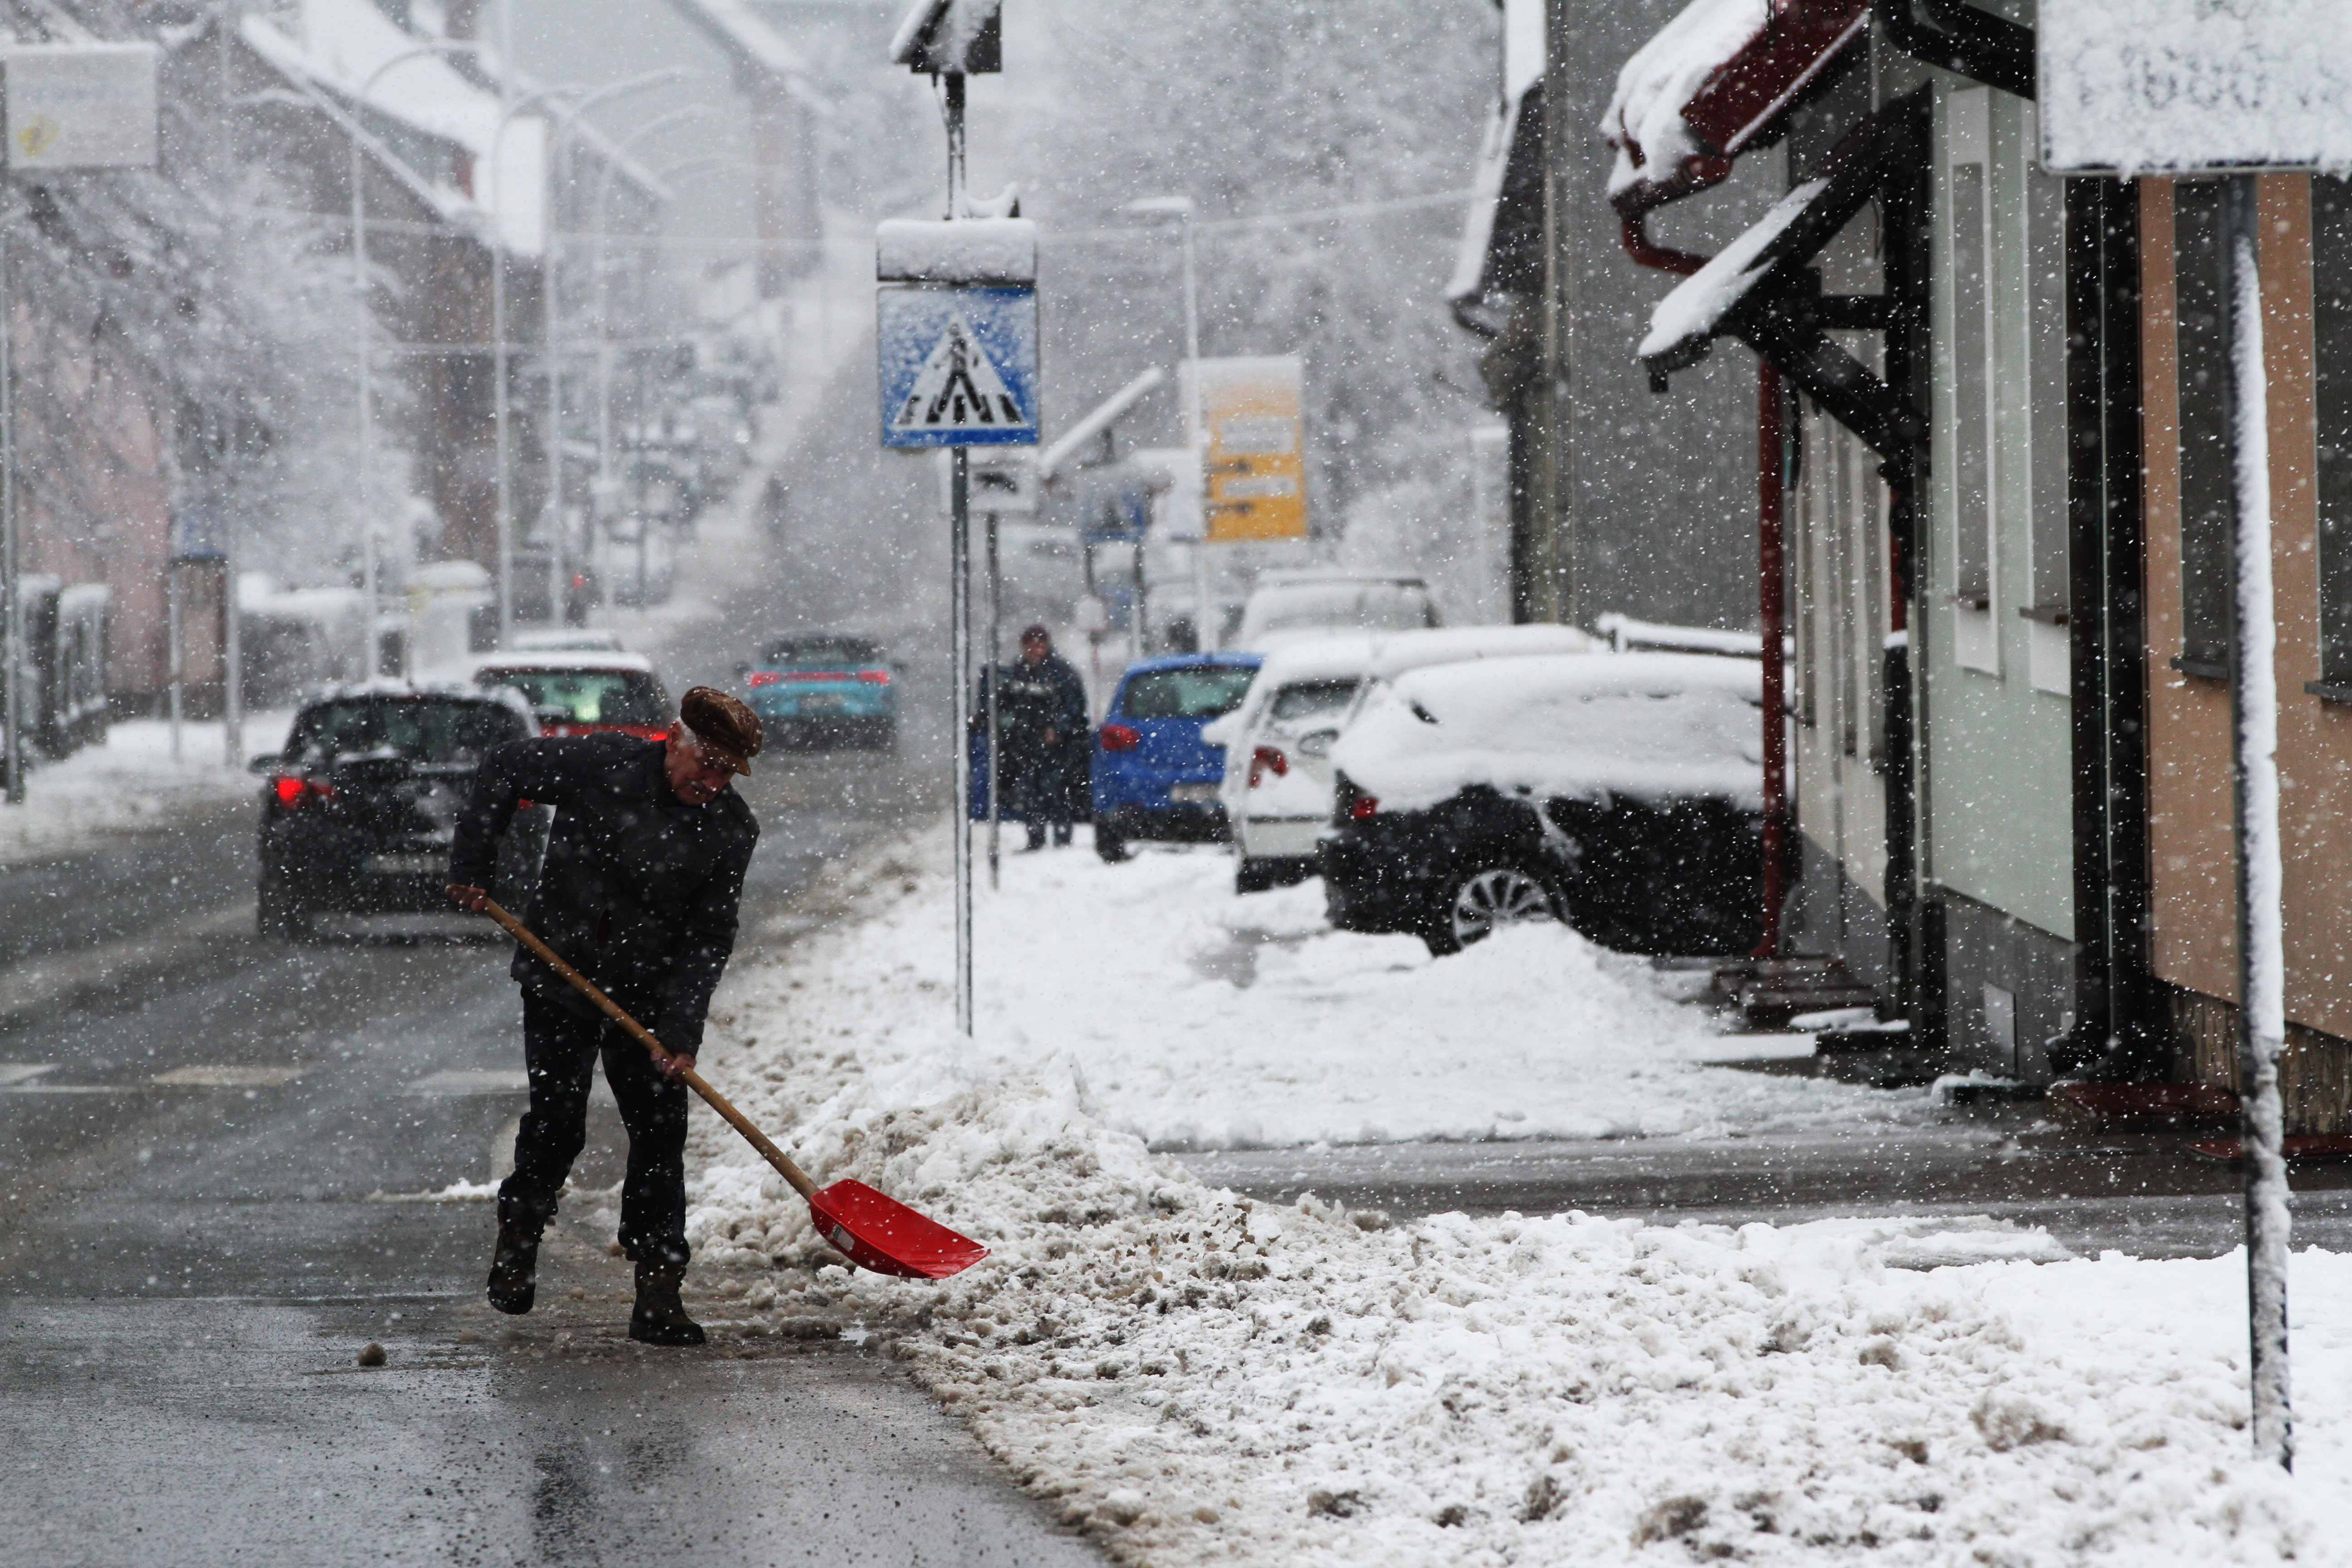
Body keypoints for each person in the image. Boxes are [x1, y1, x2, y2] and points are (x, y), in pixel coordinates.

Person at [445, 686, 761, 1346]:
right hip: (561, 972)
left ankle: (659, 1291)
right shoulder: (603, 766)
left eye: (726, 770)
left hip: (645, 996)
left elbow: (708, 937)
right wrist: (475, 865)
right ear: (673, 740)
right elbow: (505, 766)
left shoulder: (730, 828)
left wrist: (680, 1031)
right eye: (705, 762)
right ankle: (520, 1234)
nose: (711, 780)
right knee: (558, 1122)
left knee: (658, 1133)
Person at [993, 625, 1089, 850]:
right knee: (1030, 792)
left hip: (1056, 746)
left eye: (1039, 645)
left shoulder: (1062, 672)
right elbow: (1005, 701)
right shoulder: (1018, 671)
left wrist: (1057, 728)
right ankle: (1035, 838)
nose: (1034, 650)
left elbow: (1074, 706)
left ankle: (1062, 839)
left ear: (1047, 645)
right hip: (1025, 744)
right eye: (1029, 645)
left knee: (1056, 790)